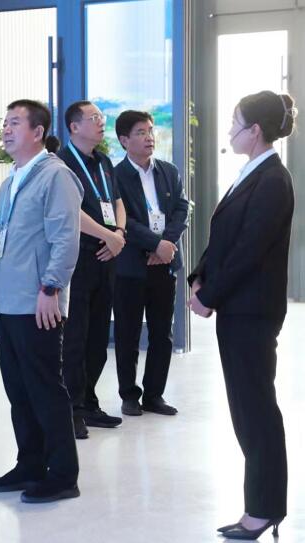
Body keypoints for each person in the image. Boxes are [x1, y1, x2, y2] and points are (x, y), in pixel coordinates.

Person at [189, 91, 296, 540]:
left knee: (256, 411)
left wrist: (210, 295)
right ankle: (260, 506)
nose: (229, 129)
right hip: (238, 309)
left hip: (252, 312)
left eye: (235, 122)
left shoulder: (273, 180)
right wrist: (199, 277)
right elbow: (225, 237)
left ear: (254, 131)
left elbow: (249, 250)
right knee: (246, 409)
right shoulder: (253, 173)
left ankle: (264, 509)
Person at [0, 99, 82, 503]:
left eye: (15, 123)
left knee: (45, 389)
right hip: (8, 300)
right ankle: (30, 464)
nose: (6, 129)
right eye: (5, 123)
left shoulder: (56, 176)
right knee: (19, 391)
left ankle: (63, 475)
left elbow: (66, 238)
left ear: (38, 132)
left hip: (38, 301)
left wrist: (51, 288)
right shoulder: (12, 179)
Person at [56, 101, 126, 439]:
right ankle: (71, 409)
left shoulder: (104, 161)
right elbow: (70, 210)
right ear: (74, 127)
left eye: (101, 117)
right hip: (79, 257)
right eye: (95, 118)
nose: (101, 122)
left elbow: (117, 202)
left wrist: (119, 234)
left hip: (107, 255)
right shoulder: (61, 163)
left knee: (98, 336)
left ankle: (89, 400)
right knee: (75, 337)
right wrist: (108, 236)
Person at [113, 110, 188, 416]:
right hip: (130, 266)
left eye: (151, 131)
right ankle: (129, 395)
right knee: (128, 334)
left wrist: (165, 244)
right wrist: (154, 244)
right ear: (124, 140)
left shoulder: (168, 171)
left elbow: (181, 208)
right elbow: (122, 220)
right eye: (141, 132)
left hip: (163, 264)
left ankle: (154, 395)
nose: (149, 137)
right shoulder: (116, 176)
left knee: (162, 333)